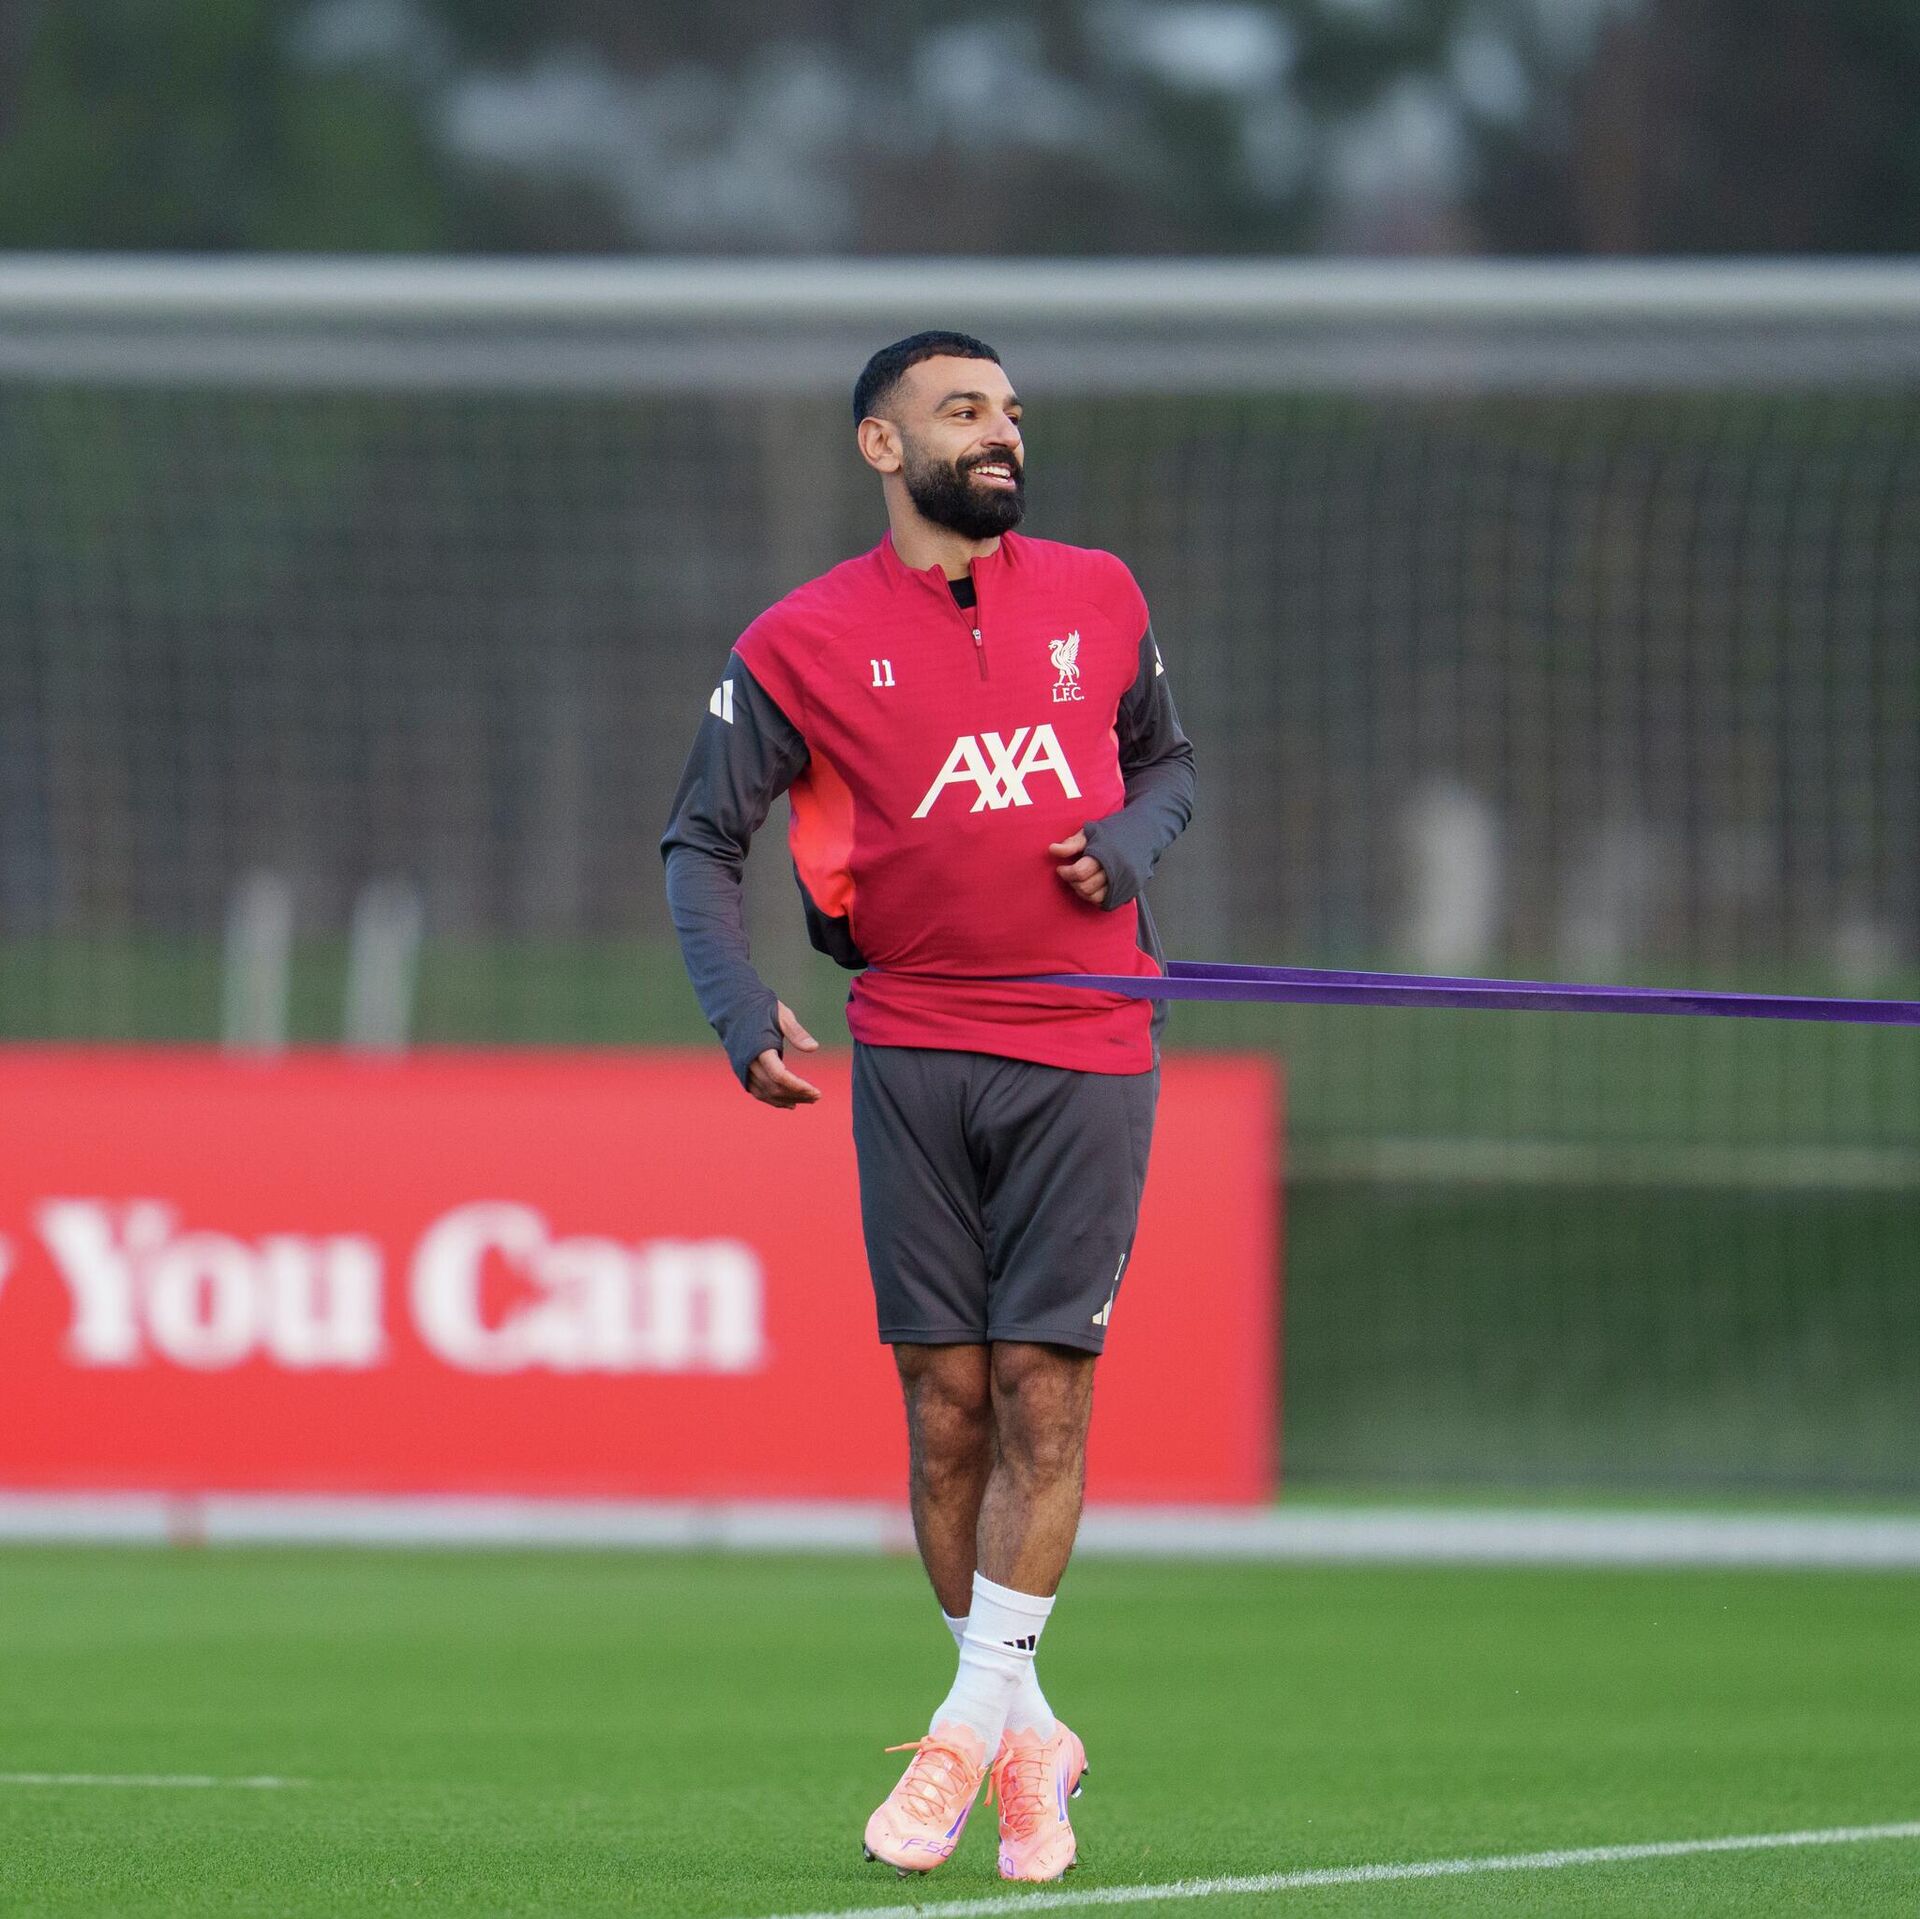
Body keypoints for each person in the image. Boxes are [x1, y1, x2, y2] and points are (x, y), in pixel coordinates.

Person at [660, 330, 1194, 1884]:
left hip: (1087, 1043)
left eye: (1010, 411)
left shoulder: (1100, 594)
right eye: (964, 412)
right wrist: (735, 1000)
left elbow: (1168, 768)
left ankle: (964, 1729)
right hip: (909, 1048)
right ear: (882, 447)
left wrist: (1127, 845)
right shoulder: (798, 642)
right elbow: (701, 841)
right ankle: (1031, 1740)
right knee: (945, 1403)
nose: (1001, 433)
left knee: (1041, 1387)